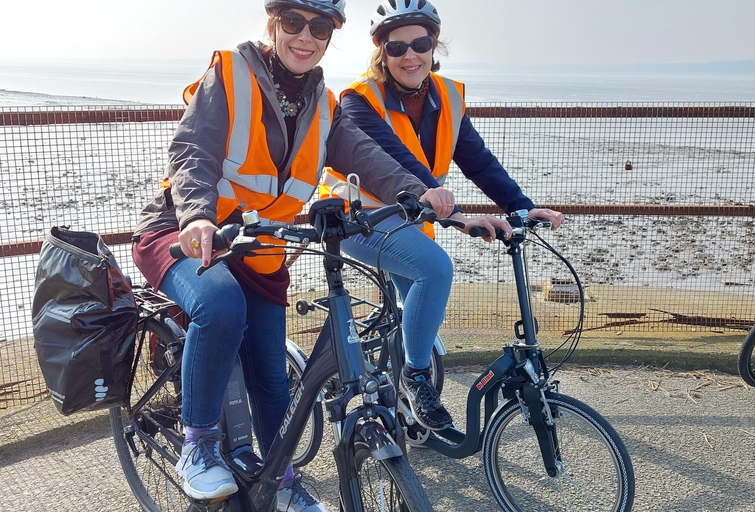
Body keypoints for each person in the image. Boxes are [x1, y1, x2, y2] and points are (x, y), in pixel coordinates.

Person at [131, 0, 455, 509]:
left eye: (319, 26)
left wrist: (419, 191)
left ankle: (281, 483)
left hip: (259, 247)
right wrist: (198, 214)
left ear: (331, 35)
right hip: (185, 233)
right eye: (293, 22)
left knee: (271, 369)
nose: (305, 36)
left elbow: (366, 158)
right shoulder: (231, 73)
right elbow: (194, 147)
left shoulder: (323, 105)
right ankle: (197, 445)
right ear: (273, 25)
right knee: (220, 306)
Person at [319, 0, 565, 432]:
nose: (410, 55)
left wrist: (521, 207)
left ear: (435, 45)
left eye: (420, 43)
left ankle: (402, 385)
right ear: (382, 52)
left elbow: (478, 161)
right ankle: (415, 377)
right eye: (397, 47)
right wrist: (459, 217)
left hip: (409, 216)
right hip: (358, 215)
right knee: (434, 271)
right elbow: (398, 163)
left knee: (416, 298)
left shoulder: (447, 95)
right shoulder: (360, 99)